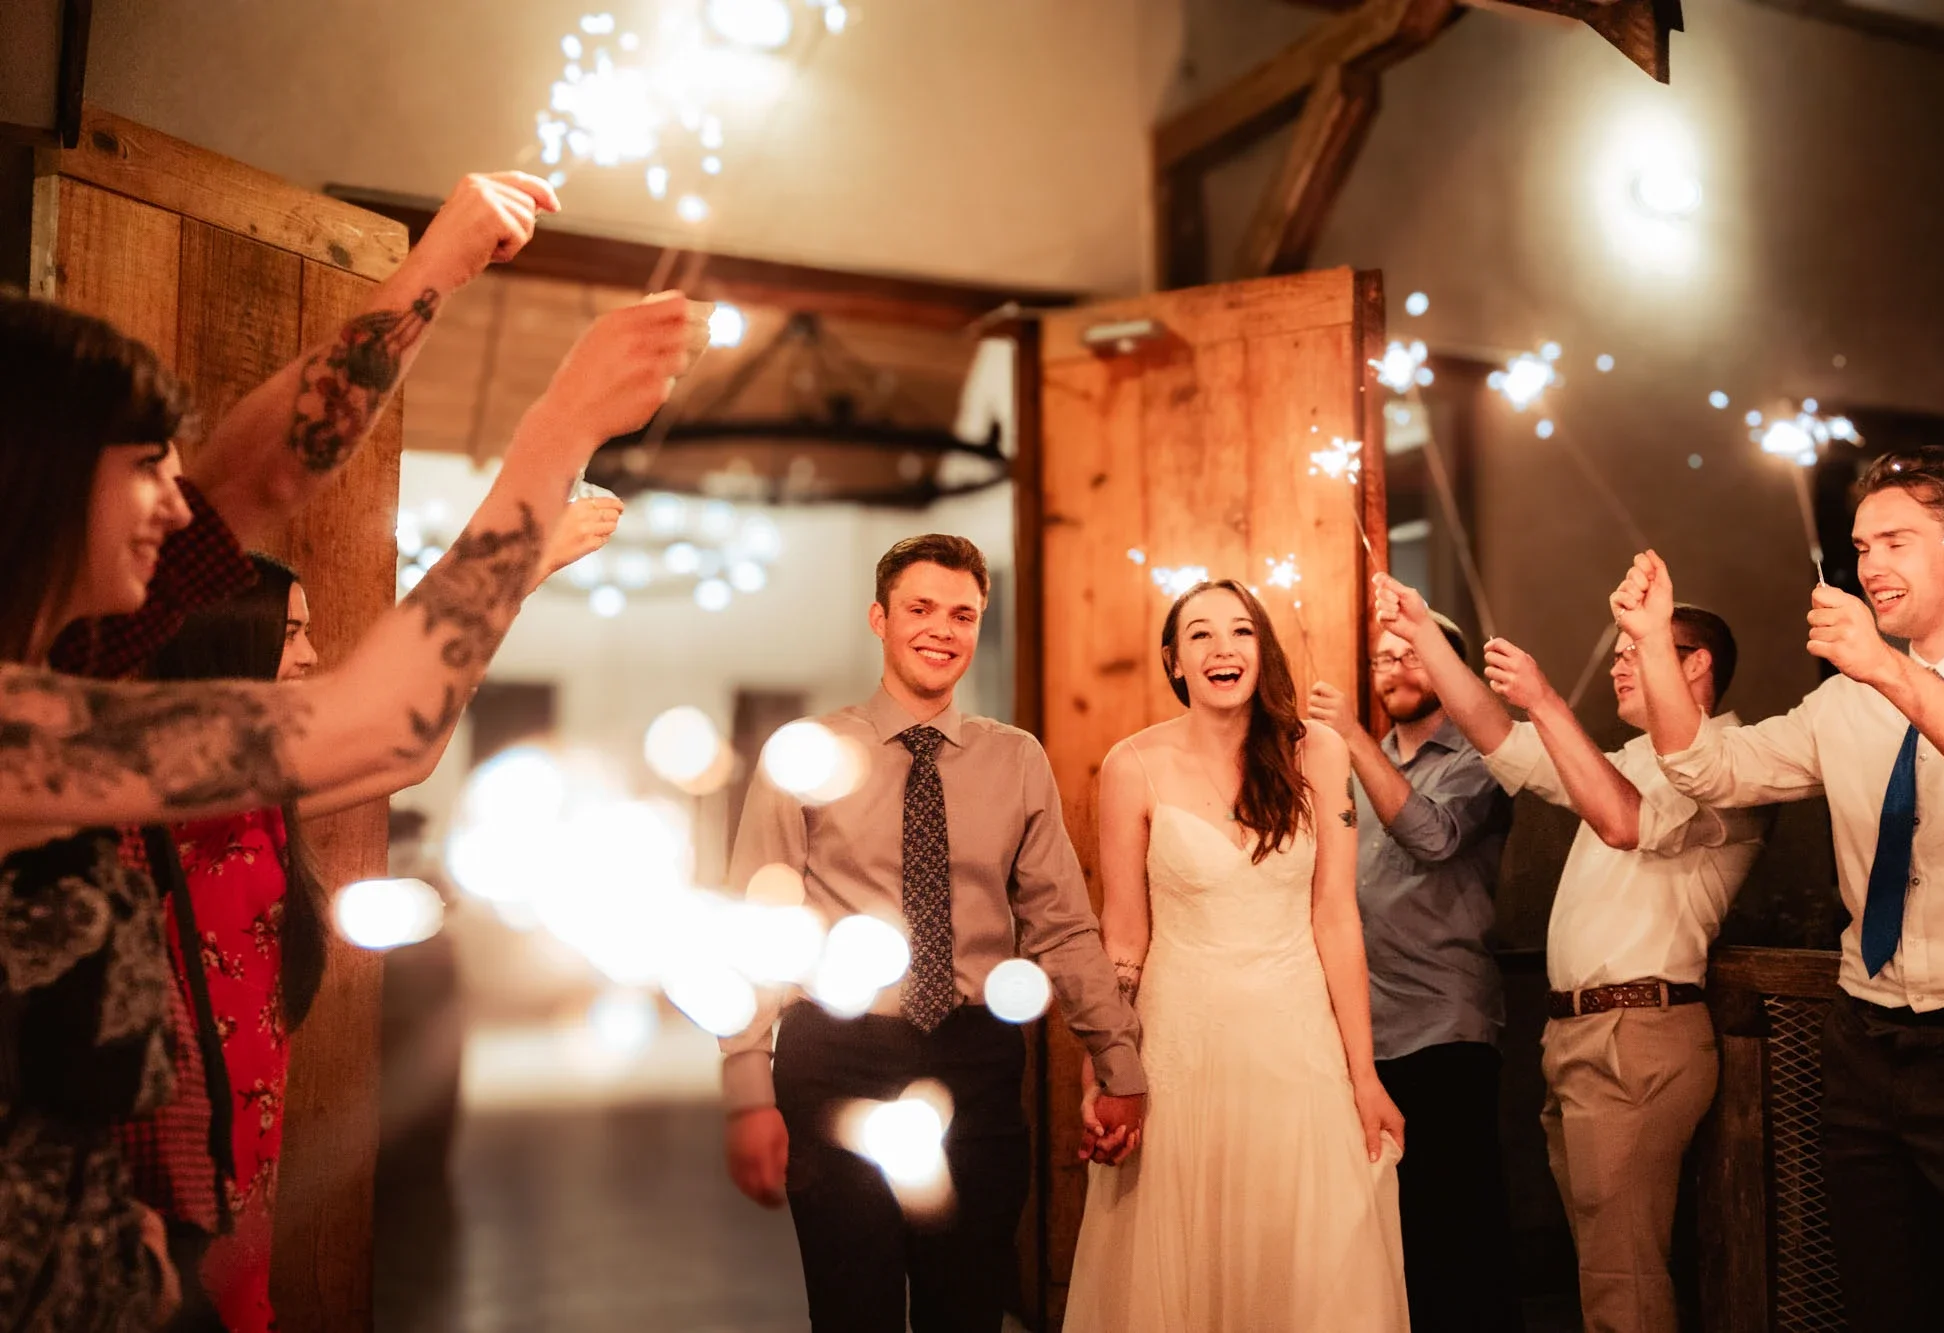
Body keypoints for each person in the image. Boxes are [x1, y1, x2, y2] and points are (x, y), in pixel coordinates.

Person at [0, 170, 693, 1328]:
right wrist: (556, 428)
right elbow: (385, 723)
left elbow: (261, 474)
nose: (180, 502)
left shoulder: (77, 657)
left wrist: (440, 266)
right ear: (35, 482)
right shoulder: (23, 731)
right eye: (143, 466)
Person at [130, 495, 621, 1333]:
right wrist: (515, 568)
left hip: (244, 1118)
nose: (312, 654)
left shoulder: (263, 793)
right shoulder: (187, 784)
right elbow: (396, 724)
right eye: (291, 633)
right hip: (171, 1131)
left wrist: (517, 589)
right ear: (230, 641)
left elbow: (411, 750)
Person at [1615, 447, 1944, 1333]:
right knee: (1880, 1296)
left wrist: (1889, 670)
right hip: (1864, 1039)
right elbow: (1706, 767)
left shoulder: (1888, 676)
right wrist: (1651, 639)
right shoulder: (1844, 705)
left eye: (1895, 541)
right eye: (1861, 546)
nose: (1869, 567)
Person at [721, 535, 1145, 1333]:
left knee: (967, 1308)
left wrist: (1117, 1058)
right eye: (920, 608)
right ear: (879, 618)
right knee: (855, 1310)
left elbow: (1062, 924)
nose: (941, 629)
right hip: (834, 1059)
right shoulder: (806, 755)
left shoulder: (1016, 761)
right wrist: (747, 1085)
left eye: (963, 614)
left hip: (974, 1061)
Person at [1367, 571, 1763, 1333]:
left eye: (1636, 650)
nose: (1618, 664)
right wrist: (1420, 632)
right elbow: (1499, 737)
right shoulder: (1627, 755)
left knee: (1625, 1275)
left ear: (1695, 666)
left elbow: (1620, 821)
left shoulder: (1735, 761)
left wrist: (1546, 699)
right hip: (1579, 1035)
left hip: (1638, 1033)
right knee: (1603, 1266)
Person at [1064, 578, 1407, 1333]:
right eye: (1201, 635)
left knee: (1303, 1262)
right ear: (1174, 661)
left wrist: (1365, 1074)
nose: (1224, 648)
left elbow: (1335, 915)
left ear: (1262, 649)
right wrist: (1104, 1064)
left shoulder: (1316, 752)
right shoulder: (1133, 764)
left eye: (1242, 632)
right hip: (1180, 1046)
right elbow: (1122, 936)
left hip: (1296, 1047)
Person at [1308, 613, 1520, 1333]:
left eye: (1411, 657)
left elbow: (1433, 836)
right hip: (1357, 1035)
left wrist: (1353, 738)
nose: (1393, 669)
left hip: (1443, 1025)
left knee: (1455, 1236)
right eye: (1381, 659)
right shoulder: (1349, 765)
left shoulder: (1482, 758)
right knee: (1377, 1236)